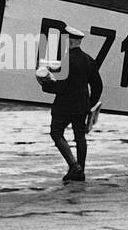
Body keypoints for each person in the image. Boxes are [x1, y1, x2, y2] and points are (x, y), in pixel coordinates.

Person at [35, 26, 103, 183]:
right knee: (80, 136)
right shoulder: (89, 60)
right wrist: (89, 104)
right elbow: (98, 86)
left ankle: (73, 166)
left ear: (70, 41)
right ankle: (81, 171)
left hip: (64, 106)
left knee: (56, 133)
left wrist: (44, 84)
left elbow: (60, 86)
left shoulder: (66, 60)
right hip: (82, 106)